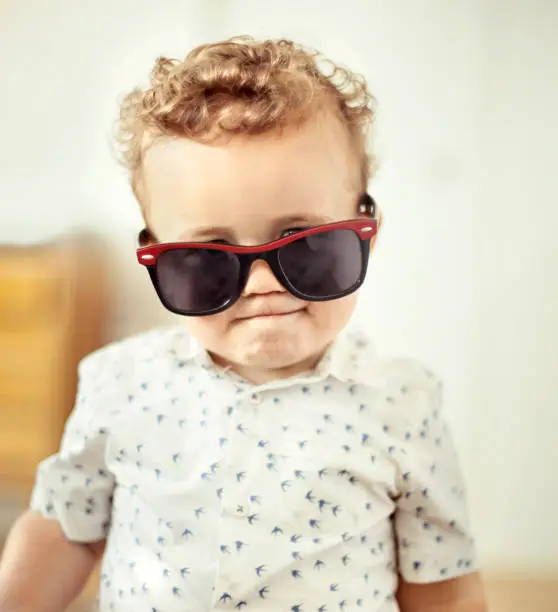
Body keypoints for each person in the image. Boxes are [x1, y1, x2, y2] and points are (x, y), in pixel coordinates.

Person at [0, 36, 487, 612]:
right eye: (208, 258)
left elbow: (440, 581)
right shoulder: (121, 384)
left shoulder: (402, 402)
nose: (262, 284)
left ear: (365, 235)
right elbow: (63, 530)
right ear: (158, 255)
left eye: (305, 246)